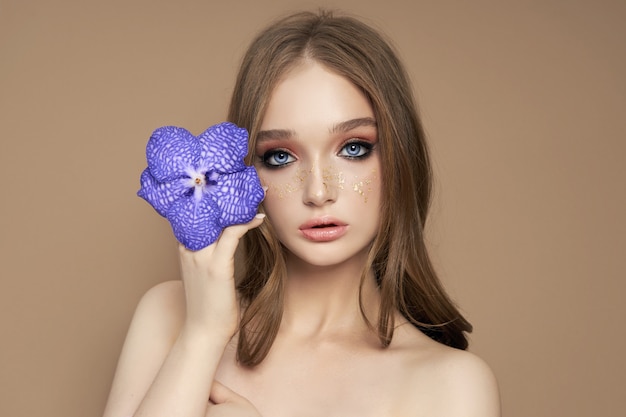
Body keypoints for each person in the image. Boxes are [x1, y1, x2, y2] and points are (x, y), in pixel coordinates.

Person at [103, 10, 500, 417]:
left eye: (354, 149)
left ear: (400, 157)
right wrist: (202, 336)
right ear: (245, 169)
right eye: (280, 156)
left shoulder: (450, 384)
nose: (318, 191)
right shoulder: (170, 315)